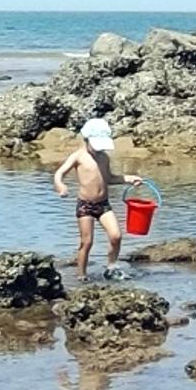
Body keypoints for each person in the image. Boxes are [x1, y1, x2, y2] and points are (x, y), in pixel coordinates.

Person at [53, 118, 142, 282]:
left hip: (103, 204)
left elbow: (109, 178)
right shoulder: (78, 156)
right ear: (86, 140)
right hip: (85, 206)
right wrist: (61, 187)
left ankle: (111, 267)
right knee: (87, 242)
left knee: (116, 236)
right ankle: (81, 275)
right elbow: (59, 174)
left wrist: (128, 178)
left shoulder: (104, 158)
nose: (99, 150)